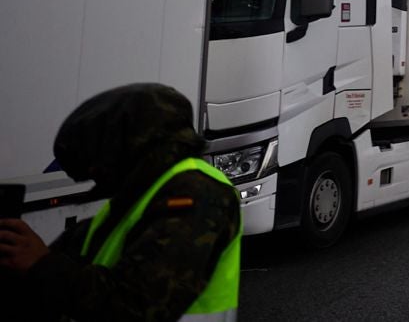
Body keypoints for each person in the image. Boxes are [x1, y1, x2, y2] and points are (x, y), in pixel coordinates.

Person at [0, 83, 242, 322]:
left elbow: (140, 306)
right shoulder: (133, 202)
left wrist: (42, 264)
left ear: (132, 145)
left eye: (98, 160)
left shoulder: (196, 195)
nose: (95, 173)